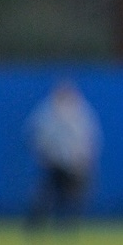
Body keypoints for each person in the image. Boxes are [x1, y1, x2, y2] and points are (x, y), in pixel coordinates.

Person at [25, 80, 102, 230]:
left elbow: (90, 137)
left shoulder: (81, 111)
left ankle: (66, 225)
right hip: (54, 162)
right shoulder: (47, 111)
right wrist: (44, 153)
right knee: (47, 195)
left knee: (71, 196)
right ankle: (37, 224)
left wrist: (85, 158)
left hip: (73, 163)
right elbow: (36, 134)